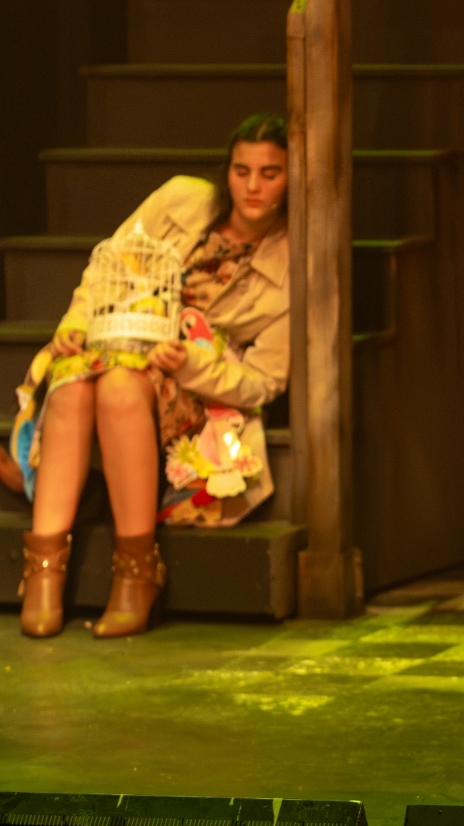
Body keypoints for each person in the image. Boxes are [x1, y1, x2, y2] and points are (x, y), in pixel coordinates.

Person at [14, 113, 290, 640]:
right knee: (72, 380)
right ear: (227, 172)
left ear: (291, 178)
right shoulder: (181, 200)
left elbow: (265, 381)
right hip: (116, 338)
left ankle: (137, 574)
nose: (253, 186)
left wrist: (191, 364)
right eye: (242, 171)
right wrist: (76, 325)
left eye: (270, 173)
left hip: (192, 381)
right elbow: (108, 266)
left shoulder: (291, 261)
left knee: (120, 387)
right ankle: (43, 572)